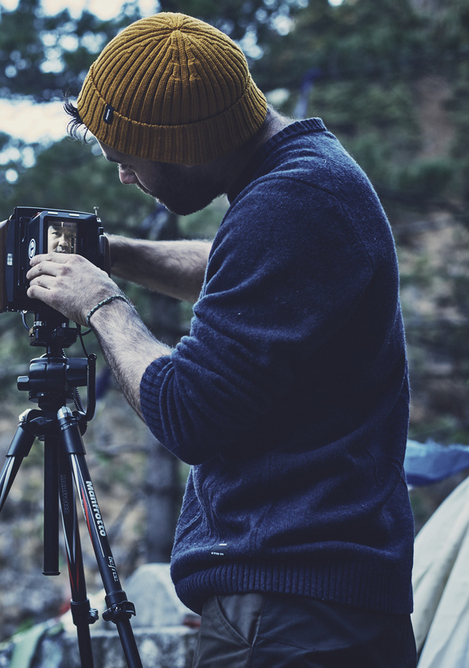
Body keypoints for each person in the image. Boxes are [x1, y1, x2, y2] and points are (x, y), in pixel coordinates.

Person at [25, 12, 415, 667]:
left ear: (186, 142)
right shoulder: (305, 174)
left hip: (287, 613)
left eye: (126, 157)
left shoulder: (287, 203)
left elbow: (190, 414)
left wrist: (99, 303)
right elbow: (239, 270)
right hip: (319, 600)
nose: (123, 176)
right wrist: (113, 253)